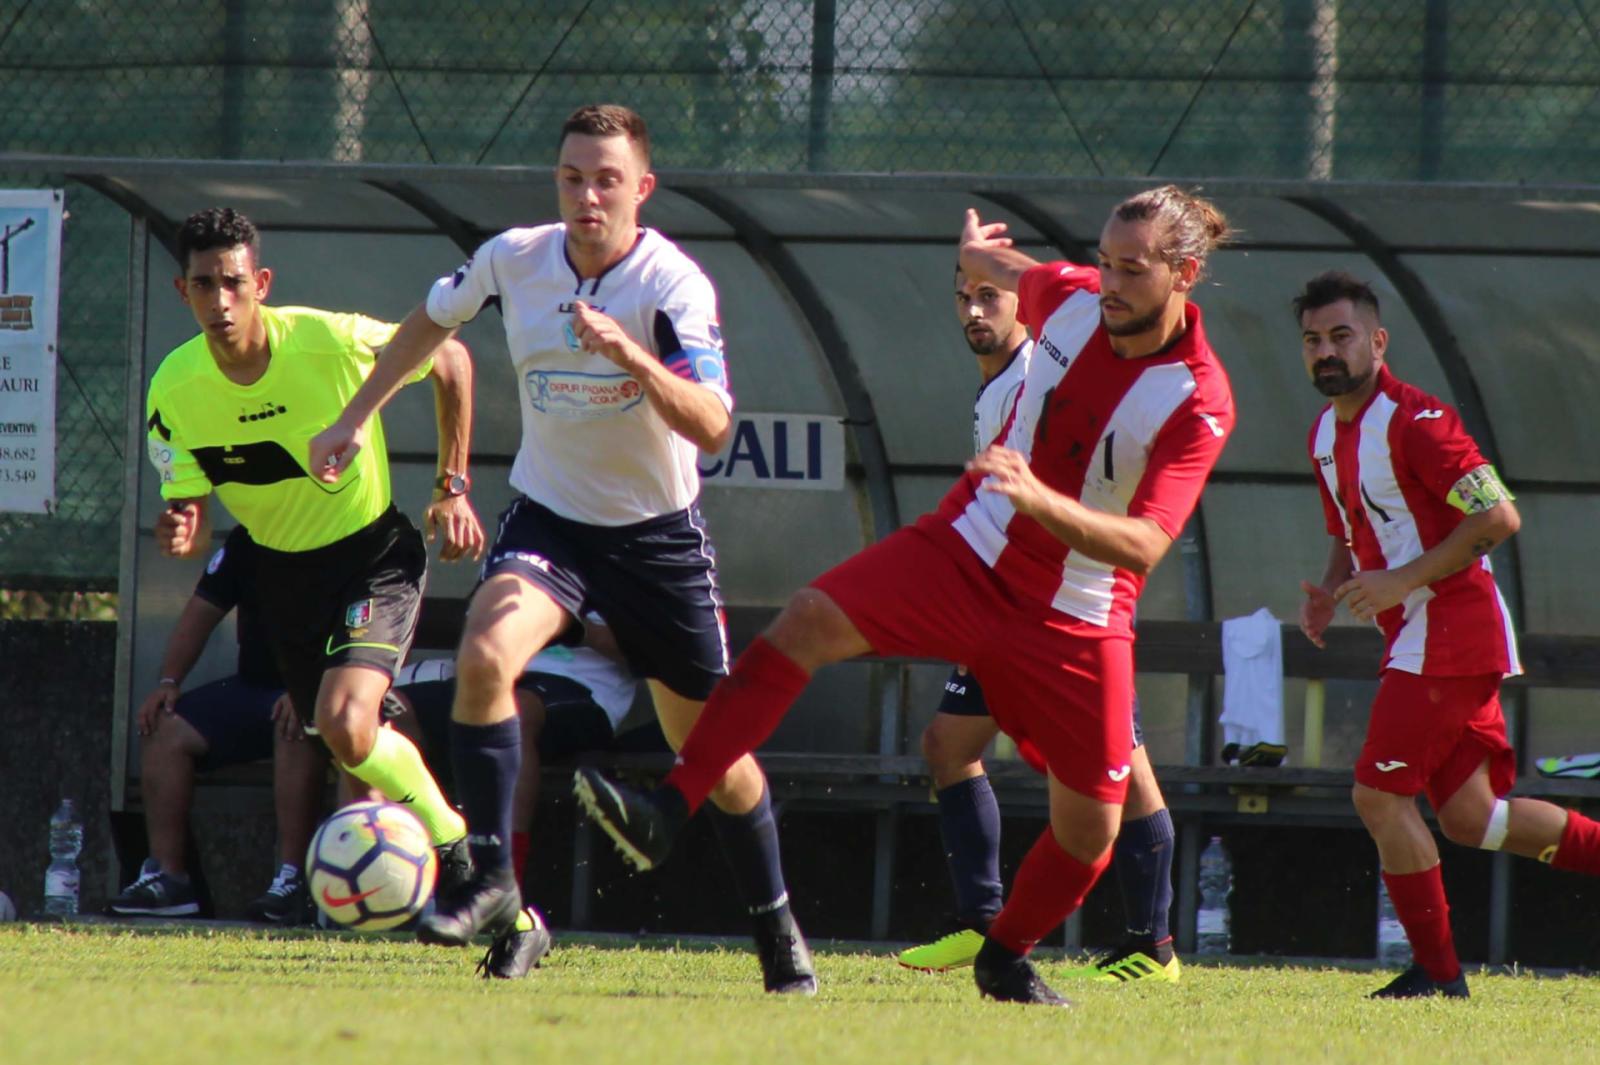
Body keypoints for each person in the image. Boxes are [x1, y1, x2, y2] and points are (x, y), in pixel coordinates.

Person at [575, 187, 1236, 1006]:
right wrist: (970, 250)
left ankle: (1005, 955)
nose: (1108, 283)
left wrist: (1040, 500)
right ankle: (667, 810)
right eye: (1104, 261)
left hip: (1077, 613)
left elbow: (1145, 544)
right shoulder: (1068, 295)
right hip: (971, 548)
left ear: (1186, 273)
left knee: (1091, 834)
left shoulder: (1198, 397)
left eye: (1132, 270)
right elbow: (1001, 265)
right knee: (807, 620)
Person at [307, 104, 816, 993]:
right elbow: (429, 324)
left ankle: (776, 928)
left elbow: (711, 423)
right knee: (483, 655)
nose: (587, 195)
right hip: (551, 520)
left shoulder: (673, 284)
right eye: (573, 177)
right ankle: (495, 882)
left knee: (712, 754)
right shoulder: (515, 256)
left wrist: (633, 356)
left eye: (608, 179)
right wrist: (353, 418)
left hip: (656, 538)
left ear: (642, 190)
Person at [145, 207, 489, 942]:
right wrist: (179, 523)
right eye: (204, 286)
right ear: (183, 291)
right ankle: (442, 843)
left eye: (234, 283)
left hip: (374, 558)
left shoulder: (328, 341)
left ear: (261, 283)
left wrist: (451, 485)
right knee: (344, 735)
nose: (220, 301)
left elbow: (452, 358)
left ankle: (456, 855)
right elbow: (184, 499)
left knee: (344, 720)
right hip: (282, 580)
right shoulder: (173, 389)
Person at [1293, 271, 1600, 999]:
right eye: (1312, 340)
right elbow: (1349, 523)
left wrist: (1401, 581)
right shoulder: (1324, 432)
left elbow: (1497, 518)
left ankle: (1438, 972)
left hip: (1450, 630)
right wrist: (1331, 588)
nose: (1326, 352)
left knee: (1376, 795)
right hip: (1421, 634)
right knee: (1470, 817)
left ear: (1378, 340)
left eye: (1341, 336)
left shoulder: (1417, 420)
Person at [896, 268, 1181, 984]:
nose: (974, 308)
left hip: (1065, 605)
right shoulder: (1000, 385)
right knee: (949, 742)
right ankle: (989, 920)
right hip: (1019, 602)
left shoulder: (1038, 368)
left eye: (989, 294)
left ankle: (1150, 942)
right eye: (962, 295)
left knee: (1121, 771)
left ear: (1025, 304)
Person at [107, 525, 326, 923]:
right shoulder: (250, 537)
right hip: (253, 690)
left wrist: (310, 689)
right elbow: (202, 611)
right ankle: (169, 879)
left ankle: (293, 883)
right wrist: (169, 681)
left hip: (323, 695)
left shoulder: (343, 533)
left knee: (294, 723)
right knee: (163, 725)